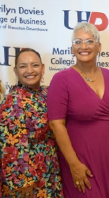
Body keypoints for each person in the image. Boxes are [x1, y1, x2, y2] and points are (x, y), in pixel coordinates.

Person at [47, 22, 109, 198]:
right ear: (72, 48)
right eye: (78, 42)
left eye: (89, 41)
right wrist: (74, 164)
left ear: (99, 47)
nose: (84, 46)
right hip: (80, 157)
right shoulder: (61, 79)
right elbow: (56, 124)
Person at [0, 48, 63, 197]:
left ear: (42, 68)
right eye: (23, 66)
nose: (30, 70)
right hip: (29, 177)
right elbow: (10, 147)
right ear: (15, 71)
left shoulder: (49, 92)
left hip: (50, 168)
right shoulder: (13, 100)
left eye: (34, 65)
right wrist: (23, 182)